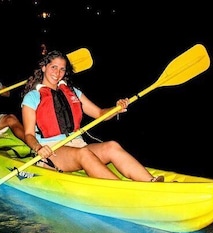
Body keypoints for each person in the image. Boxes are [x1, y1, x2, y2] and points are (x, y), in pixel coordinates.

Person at [21, 50, 164, 182]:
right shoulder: (32, 97)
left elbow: (100, 113)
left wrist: (116, 109)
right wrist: (38, 148)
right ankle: (122, 190)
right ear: (44, 67)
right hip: (51, 151)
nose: (57, 73)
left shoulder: (73, 92)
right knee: (84, 153)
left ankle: (151, 183)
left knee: (112, 146)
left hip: (77, 145)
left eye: (62, 69)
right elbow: (28, 134)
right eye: (54, 67)